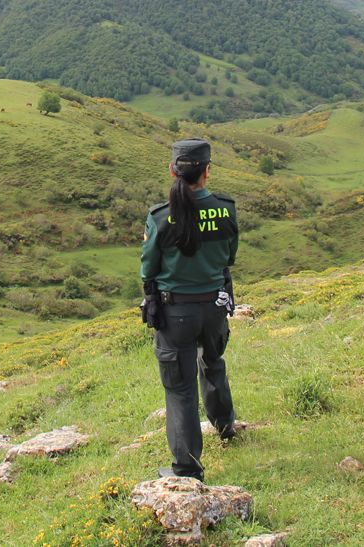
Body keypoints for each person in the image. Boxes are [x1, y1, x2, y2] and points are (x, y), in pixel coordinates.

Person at [140, 138, 239, 482]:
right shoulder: (226, 209)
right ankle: (225, 426)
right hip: (214, 306)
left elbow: (147, 267)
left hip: (175, 313)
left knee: (179, 388)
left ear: (173, 171)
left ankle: (186, 469)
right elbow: (229, 258)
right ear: (207, 172)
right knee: (213, 363)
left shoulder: (161, 217)